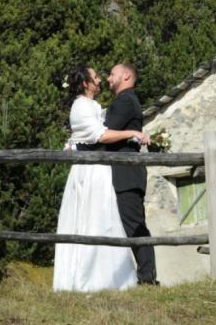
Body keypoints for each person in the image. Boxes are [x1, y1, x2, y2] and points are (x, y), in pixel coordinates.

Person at [53, 65, 149, 292]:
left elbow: (103, 126)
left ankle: (109, 280)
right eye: (96, 77)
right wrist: (133, 133)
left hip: (100, 170)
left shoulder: (94, 106)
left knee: (104, 221)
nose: (101, 80)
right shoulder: (80, 106)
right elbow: (101, 135)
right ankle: (87, 280)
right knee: (90, 220)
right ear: (86, 83)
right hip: (89, 171)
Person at [106, 63, 158, 285]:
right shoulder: (127, 100)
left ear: (126, 76)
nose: (108, 78)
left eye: (112, 73)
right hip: (125, 171)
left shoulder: (125, 101)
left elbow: (104, 134)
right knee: (130, 224)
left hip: (127, 172)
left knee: (134, 225)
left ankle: (147, 278)